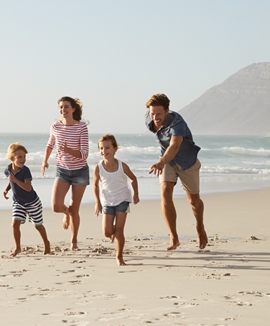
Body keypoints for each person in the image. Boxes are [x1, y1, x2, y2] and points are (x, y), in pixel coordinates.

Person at [145, 93, 208, 251]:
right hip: (168, 161)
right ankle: (173, 237)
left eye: (159, 113)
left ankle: (200, 227)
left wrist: (160, 162)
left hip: (187, 162)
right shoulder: (149, 118)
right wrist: (163, 161)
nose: (155, 117)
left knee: (194, 201)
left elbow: (174, 146)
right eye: (152, 113)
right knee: (165, 193)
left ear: (167, 111)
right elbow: (165, 145)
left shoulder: (177, 123)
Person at [41, 96, 89, 250]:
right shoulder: (55, 126)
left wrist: (68, 150)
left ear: (73, 109)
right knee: (56, 206)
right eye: (61, 107)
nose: (63, 110)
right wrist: (45, 160)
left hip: (80, 172)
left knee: (75, 209)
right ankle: (66, 213)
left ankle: (74, 241)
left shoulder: (81, 127)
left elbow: (84, 154)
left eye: (66, 106)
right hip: (62, 170)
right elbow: (50, 144)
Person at [93, 134, 139, 266]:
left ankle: (119, 257)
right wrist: (97, 202)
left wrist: (136, 194)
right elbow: (95, 185)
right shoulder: (98, 168)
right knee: (107, 231)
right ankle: (114, 235)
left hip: (123, 199)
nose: (104, 151)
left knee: (119, 231)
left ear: (115, 149)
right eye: (101, 148)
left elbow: (133, 178)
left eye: (107, 148)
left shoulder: (122, 166)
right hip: (107, 201)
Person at [3, 143, 50, 257]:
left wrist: (15, 180)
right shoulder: (7, 170)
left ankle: (46, 243)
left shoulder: (26, 171)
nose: (23, 159)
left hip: (32, 202)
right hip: (18, 202)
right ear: (11, 158)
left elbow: (28, 188)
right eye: (19, 157)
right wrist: (6, 189)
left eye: (24, 156)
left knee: (37, 225)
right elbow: (11, 181)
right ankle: (18, 247)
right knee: (15, 224)